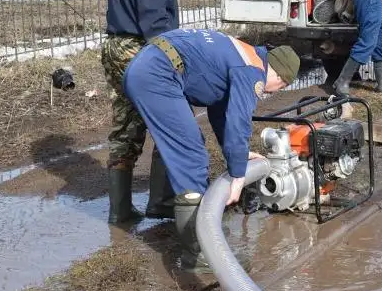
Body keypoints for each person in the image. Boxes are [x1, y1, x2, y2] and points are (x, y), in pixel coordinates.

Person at [122, 28, 300, 271]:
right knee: (191, 155)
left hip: (149, 64)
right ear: (280, 77)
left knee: (181, 141)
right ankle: (199, 255)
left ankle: (165, 205)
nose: (272, 93)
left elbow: (221, 112)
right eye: (278, 88)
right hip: (158, 74)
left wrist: (238, 156)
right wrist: (238, 176)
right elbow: (239, 121)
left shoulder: (244, 54)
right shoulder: (252, 71)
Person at [101, 0, 194, 225]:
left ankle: (120, 210)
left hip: (115, 45)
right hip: (140, 49)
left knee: (126, 126)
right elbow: (154, 19)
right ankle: (163, 200)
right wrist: (174, 58)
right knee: (172, 119)